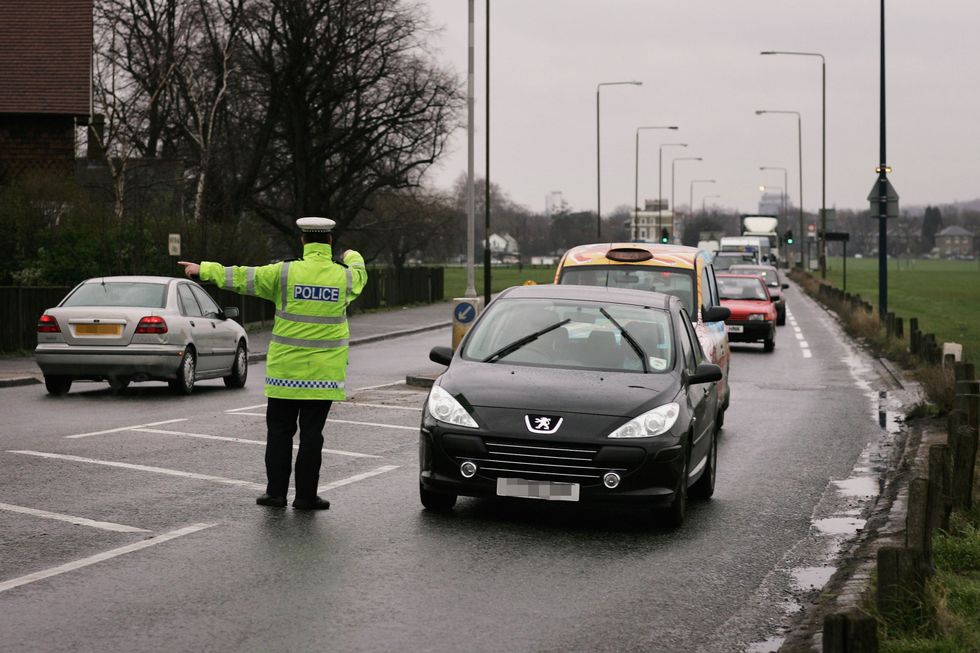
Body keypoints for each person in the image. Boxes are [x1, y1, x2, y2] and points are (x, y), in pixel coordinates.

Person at [179, 217, 367, 510]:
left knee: (279, 433)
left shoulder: (284, 273)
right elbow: (360, 273)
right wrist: (352, 255)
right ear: (329, 242)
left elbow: (242, 277)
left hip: (285, 374)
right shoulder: (344, 277)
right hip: (324, 376)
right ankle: (306, 497)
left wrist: (203, 269)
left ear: (303, 241)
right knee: (312, 436)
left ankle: (276, 494)